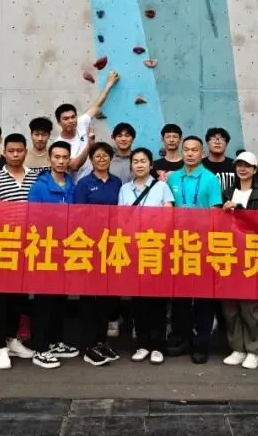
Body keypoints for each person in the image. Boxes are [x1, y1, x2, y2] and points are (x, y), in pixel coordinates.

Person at [0, 133, 39, 368]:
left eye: (19, 150)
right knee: (0, 298)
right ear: (4, 152)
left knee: (19, 297)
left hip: (29, 246)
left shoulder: (35, 177)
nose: (15, 154)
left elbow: (40, 210)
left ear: (25, 151)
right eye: (11, 151)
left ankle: (12, 339)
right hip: (4, 245)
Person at [165, 136, 222, 362]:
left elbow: (216, 214)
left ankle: (202, 343)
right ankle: (183, 338)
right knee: (180, 297)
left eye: (194, 150)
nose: (190, 154)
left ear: (202, 153)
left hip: (203, 247)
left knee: (203, 298)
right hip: (178, 246)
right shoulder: (173, 178)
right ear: (182, 152)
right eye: (186, 150)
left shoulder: (210, 179)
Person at [26, 141, 81, 369]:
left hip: (65, 251)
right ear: (49, 159)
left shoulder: (71, 185)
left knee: (60, 299)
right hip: (45, 251)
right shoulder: (39, 187)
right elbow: (32, 219)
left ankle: (55, 341)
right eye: (56, 157)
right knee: (43, 301)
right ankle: (40, 348)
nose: (61, 161)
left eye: (65, 157)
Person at [119, 147, 174, 364]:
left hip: (156, 249)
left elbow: (168, 217)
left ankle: (158, 345)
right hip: (134, 250)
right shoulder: (125, 189)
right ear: (131, 166)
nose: (139, 165)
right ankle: (142, 344)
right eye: (135, 161)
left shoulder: (161, 187)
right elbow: (121, 219)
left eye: (143, 161)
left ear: (151, 165)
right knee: (138, 300)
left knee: (157, 300)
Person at [71, 142, 124, 366]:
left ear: (111, 159)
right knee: (88, 299)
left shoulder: (117, 182)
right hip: (89, 246)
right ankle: (87, 345)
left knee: (106, 297)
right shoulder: (83, 184)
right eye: (97, 156)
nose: (101, 159)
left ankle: (101, 342)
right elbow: (77, 216)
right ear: (91, 159)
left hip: (111, 247)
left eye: (105, 156)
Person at [220, 151, 258, 370]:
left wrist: (241, 212)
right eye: (239, 165)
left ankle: (254, 350)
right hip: (229, 253)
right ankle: (237, 347)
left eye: (247, 166)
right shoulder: (227, 192)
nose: (243, 169)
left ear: (255, 169)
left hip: (252, 254)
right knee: (230, 306)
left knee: (252, 307)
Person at [54, 70, 120, 179]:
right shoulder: (59, 144)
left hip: (95, 180)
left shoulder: (81, 122)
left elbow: (96, 106)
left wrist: (109, 84)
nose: (70, 121)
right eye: (66, 119)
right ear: (59, 122)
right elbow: (74, 166)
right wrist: (89, 145)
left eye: (73, 117)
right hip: (78, 184)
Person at [202, 127, 236, 200]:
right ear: (207, 142)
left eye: (222, 139)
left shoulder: (235, 165)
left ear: (226, 143)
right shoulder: (199, 165)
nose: (217, 142)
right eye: (213, 139)